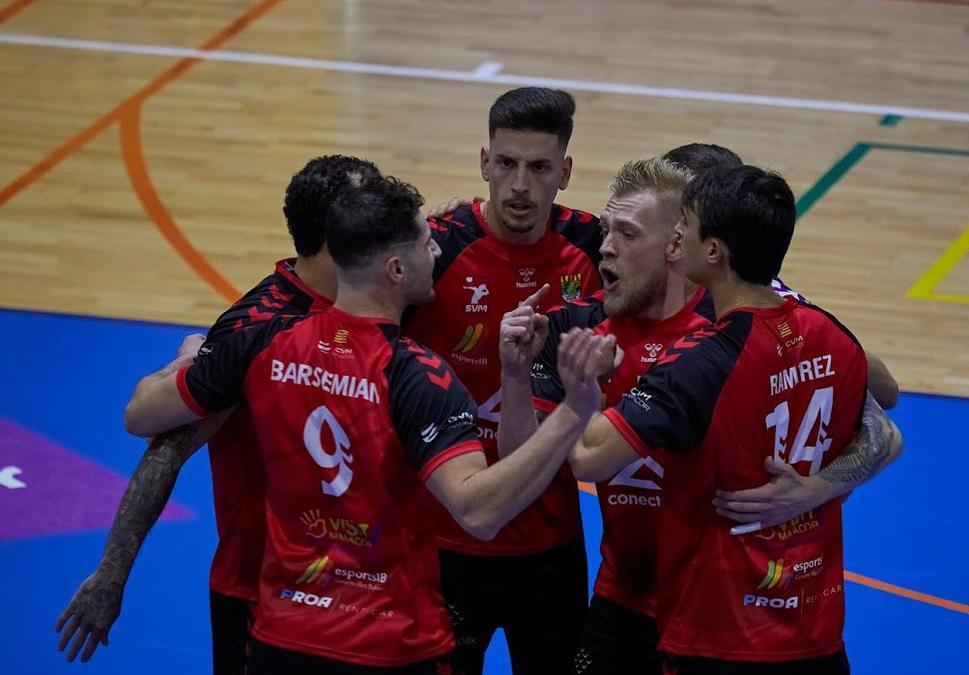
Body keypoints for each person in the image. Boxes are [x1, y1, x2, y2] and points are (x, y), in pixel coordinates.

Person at [121, 175, 615, 674]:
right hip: (390, 642)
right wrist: (572, 411)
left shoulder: (261, 342)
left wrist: (189, 358)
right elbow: (479, 511)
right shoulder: (418, 377)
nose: (439, 253)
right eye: (428, 243)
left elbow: (141, 415)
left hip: (283, 633)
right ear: (396, 269)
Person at [499, 158, 900, 674]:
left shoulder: (702, 358)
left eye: (628, 232)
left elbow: (588, 458)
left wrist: (582, 397)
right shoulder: (821, 330)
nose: (605, 246)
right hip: (713, 609)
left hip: (713, 621)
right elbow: (521, 468)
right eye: (605, 230)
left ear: (691, 247)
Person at [55, 155, 383, 671]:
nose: (385, 216)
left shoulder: (382, 297)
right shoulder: (257, 326)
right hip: (260, 594)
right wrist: (111, 577)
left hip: (363, 589)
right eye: (371, 206)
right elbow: (167, 446)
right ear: (333, 234)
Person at [403, 87, 602, 674]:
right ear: (484, 163)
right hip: (443, 541)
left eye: (539, 168)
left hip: (550, 545)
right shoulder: (435, 248)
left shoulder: (597, 248)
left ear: (564, 172)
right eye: (507, 164)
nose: (520, 185)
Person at [663, 142, 900, 410]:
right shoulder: (643, 275)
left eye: (685, 217)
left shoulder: (768, 308)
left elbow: (886, 393)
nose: (675, 230)